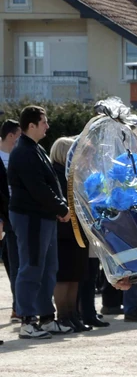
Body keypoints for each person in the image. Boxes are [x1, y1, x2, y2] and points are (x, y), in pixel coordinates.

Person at [7, 106, 72, 339]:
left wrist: (59, 208)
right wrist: (62, 208)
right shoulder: (23, 151)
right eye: (43, 122)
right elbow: (38, 188)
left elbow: (50, 184)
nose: (47, 126)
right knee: (31, 267)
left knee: (48, 268)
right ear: (31, 125)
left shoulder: (36, 149)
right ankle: (27, 320)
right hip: (30, 218)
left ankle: (46, 318)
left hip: (44, 217)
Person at [49, 136, 88, 332]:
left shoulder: (74, 175)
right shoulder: (55, 174)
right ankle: (62, 315)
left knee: (75, 276)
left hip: (78, 232)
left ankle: (73, 314)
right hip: (64, 233)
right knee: (64, 277)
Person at [0, 119, 21, 320]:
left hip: (17, 217)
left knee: (16, 263)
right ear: (12, 135)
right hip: (3, 218)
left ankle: (18, 306)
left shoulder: (18, 156)